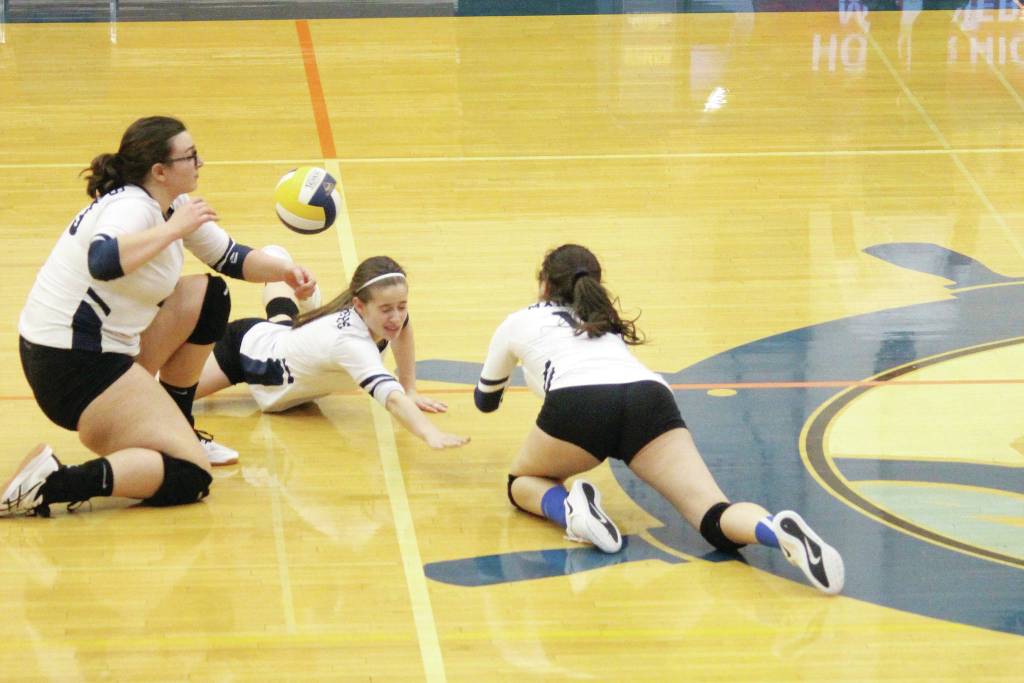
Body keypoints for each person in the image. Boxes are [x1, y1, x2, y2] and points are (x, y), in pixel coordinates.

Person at [473, 244, 845, 595]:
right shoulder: (603, 319)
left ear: (544, 284)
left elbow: (485, 402)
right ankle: (773, 529)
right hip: (649, 398)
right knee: (714, 516)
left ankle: (571, 509)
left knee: (522, 481)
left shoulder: (519, 320)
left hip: (579, 403)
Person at [3, 115, 317, 517]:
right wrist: (173, 231)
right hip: (74, 368)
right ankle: (49, 484)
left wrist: (286, 272)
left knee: (210, 295)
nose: (200, 163)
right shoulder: (131, 207)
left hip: (90, 351)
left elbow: (230, 258)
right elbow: (102, 260)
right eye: (191, 156)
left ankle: (178, 426)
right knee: (190, 475)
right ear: (160, 171)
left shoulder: (170, 204)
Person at [195, 247, 470, 452]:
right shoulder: (351, 343)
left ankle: (281, 267)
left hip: (285, 342)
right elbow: (392, 398)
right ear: (359, 306)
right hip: (248, 356)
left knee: (284, 327)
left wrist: (411, 388)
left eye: (402, 306)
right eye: (387, 309)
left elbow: (405, 329)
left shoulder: (382, 319)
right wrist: (429, 433)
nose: (396, 317)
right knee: (173, 399)